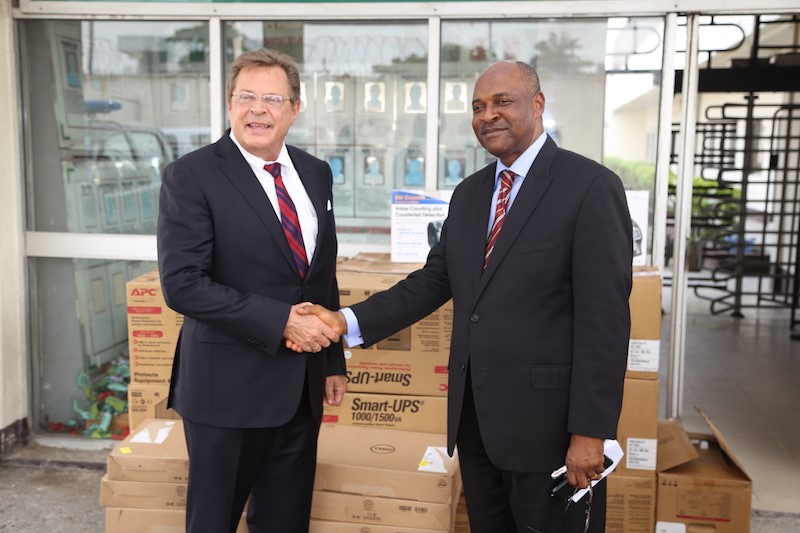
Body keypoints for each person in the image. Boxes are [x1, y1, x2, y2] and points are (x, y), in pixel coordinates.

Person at [297, 60, 632, 533]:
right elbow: (433, 281)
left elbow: (605, 323)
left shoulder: (590, 187)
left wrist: (591, 432)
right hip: (477, 428)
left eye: (502, 102)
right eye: (478, 107)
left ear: (538, 104)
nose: (487, 115)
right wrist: (343, 322)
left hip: (551, 434)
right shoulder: (471, 194)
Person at [156, 48, 347, 533]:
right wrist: (281, 321)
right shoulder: (192, 175)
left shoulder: (316, 172)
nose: (257, 109)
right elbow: (183, 284)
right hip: (226, 392)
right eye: (246, 97)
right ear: (229, 103)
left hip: (300, 389)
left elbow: (320, 274)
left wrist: (333, 361)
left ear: (294, 109)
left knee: (286, 523)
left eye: (272, 99)